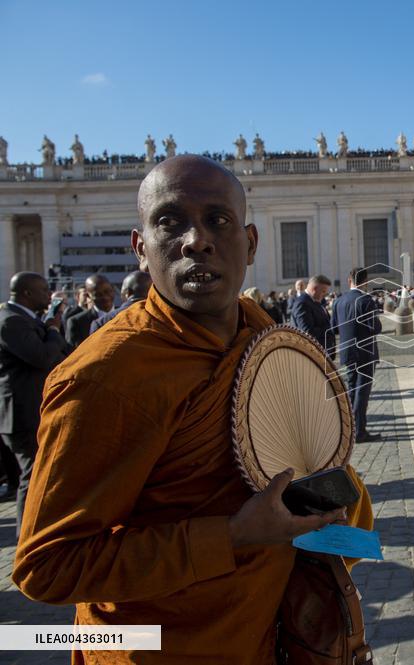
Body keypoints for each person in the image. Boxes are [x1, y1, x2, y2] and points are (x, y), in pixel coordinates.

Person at [13, 155, 373, 663]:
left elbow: (311, 479)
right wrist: (231, 536)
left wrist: (333, 494)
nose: (196, 240)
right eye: (169, 221)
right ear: (141, 249)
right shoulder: (104, 376)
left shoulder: (269, 341)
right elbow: (46, 567)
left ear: (249, 243)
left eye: (217, 221)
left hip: (272, 639)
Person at [0, 272, 69, 531]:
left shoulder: (26, 320)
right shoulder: (10, 321)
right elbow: (41, 357)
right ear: (26, 293)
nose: (48, 295)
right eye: (43, 290)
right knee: (31, 479)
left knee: (37, 477)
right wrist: (52, 329)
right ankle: (25, 542)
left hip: (33, 411)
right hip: (22, 415)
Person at [331, 267, 382, 443]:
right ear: (366, 282)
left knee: (352, 390)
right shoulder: (366, 300)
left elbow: (335, 327)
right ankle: (360, 431)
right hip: (365, 352)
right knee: (362, 392)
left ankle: (350, 430)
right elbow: (375, 327)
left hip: (347, 352)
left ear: (349, 281)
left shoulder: (338, 301)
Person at [64, 274, 116, 349]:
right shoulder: (77, 322)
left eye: (107, 291)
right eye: (98, 294)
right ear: (88, 296)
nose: (105, 297)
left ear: (113, 290)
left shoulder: (126, 314)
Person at [289, 275, 333, 353]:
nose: (324, 295)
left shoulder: (315, 301)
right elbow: (308, 332)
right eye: (323, 292)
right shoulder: (302, 303)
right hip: (311, 353)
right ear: (314, 289)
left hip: (321, 351)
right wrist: (329, 329)